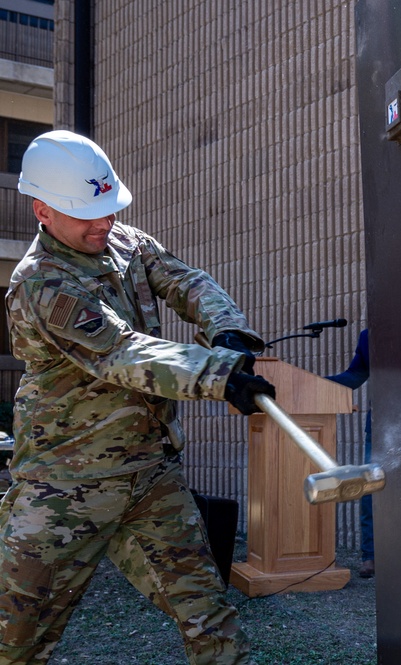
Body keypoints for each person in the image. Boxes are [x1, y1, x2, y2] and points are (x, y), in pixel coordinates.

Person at [0, 130, 276, 665]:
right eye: (88, 214)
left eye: (108, 208)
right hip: (64, 486)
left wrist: (228, 331)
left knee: (208, 617)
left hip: (150, 474)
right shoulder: (41, 284)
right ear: (43, 211)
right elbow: (123, 354)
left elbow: (184, 281)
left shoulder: (124, 241)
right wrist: (218, 376)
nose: (103, 222)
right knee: (17, 640)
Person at [327, 328, 374, 578]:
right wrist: (317, 381)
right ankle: (371, 556)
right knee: (370, 491)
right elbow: (355, 376)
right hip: (378, 425)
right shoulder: (368, 336)